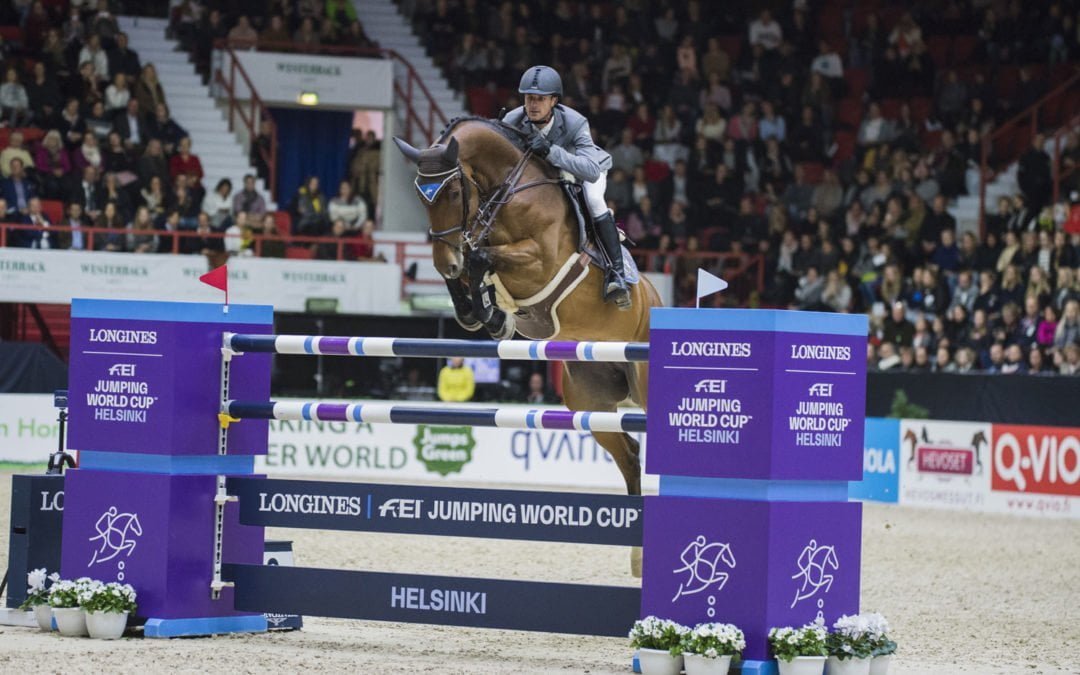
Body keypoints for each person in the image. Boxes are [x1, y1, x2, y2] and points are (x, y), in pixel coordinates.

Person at [501, 65, 629, 309]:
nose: (533, 105)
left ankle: (616, 273)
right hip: (543, 177)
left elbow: (590, 171)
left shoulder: (574, 122)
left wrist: (551, 151)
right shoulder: (512, 121)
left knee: (594, 201)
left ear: (554, 101)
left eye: (539, 99)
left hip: (583, 172)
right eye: (528, 99)